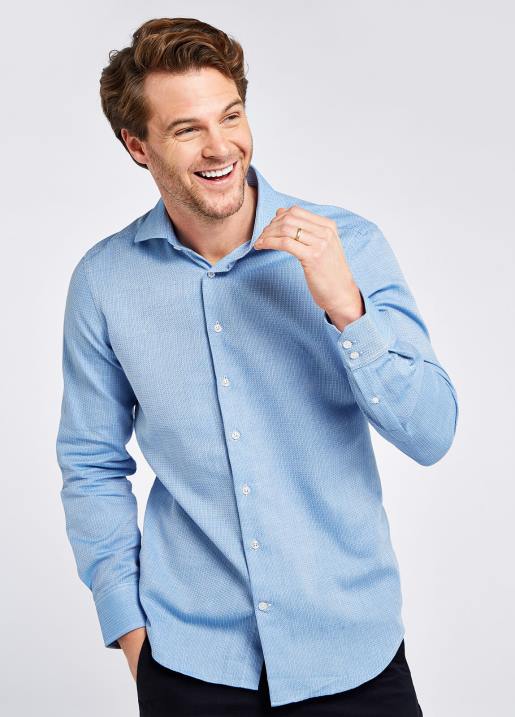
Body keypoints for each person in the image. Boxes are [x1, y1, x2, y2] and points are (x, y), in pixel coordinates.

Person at [56, 16, 458, 716]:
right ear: (137, 146)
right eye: (186, 129)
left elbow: (432, 432)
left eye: (231, 116)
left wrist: (347, 308)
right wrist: (130, 633)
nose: (220, 148)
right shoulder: (104, 282)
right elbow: (90, 463)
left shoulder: (349, 244)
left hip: (353, 658)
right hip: (190, 664)